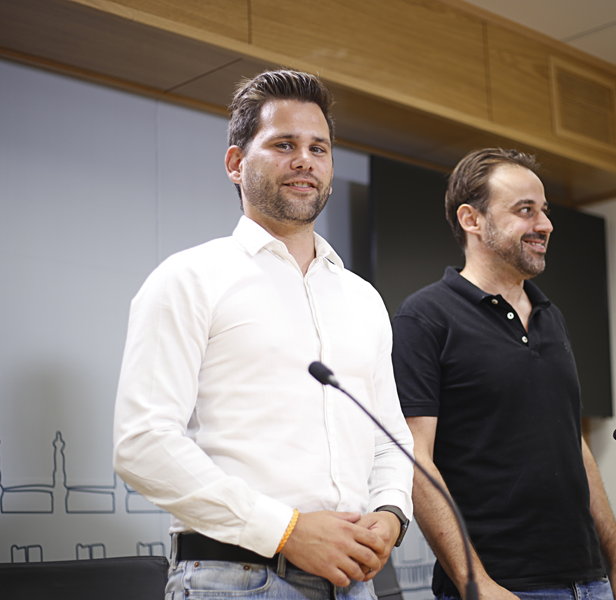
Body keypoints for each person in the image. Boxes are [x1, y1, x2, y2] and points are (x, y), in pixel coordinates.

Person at [113, 70, 413, 600]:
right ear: (236, 163)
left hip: (355, 582)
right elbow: (143, 445)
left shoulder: (364, 299)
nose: (305, 160)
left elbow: (391, 440)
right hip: (234, 579)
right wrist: (286, 529)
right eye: (283, 144)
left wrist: (390, 512)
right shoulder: (189, 278)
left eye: (318, 148)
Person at [391, 148, 616, 600]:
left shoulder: (552, 317)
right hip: (504, 587)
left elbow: (575, 443)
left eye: (544, 211)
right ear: (472, 219)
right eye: (525, 210)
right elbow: (415, 460)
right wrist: (476, 581)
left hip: (591, 583)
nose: (545, 225)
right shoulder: (425, 317)